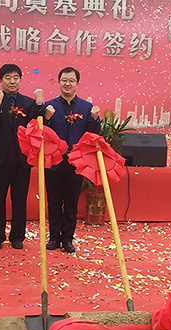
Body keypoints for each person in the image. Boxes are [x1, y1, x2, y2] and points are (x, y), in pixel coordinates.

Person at [0, 64, 44, 250]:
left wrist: (40, 104)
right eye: (7, 78)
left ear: (20, 80)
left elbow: (38, 121)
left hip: (21, 161)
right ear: (1, 81)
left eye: (16, 77)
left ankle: (17, 237)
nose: (12, 81)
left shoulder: (28, 103)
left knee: (19, 201)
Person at [44, 67, 101, 253]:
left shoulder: (86, 108)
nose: (67, 84)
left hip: (76, 162)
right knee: (53, 202)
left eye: (71, 80)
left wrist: (95, 119)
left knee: (71, 202)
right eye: (64, 80)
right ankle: (54, 238)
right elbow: (42, 132)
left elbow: (93, 134)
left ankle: (68, 239)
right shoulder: (49, 106)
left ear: (77, 83)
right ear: (58, 82)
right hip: (54, 161)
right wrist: (46, 118)